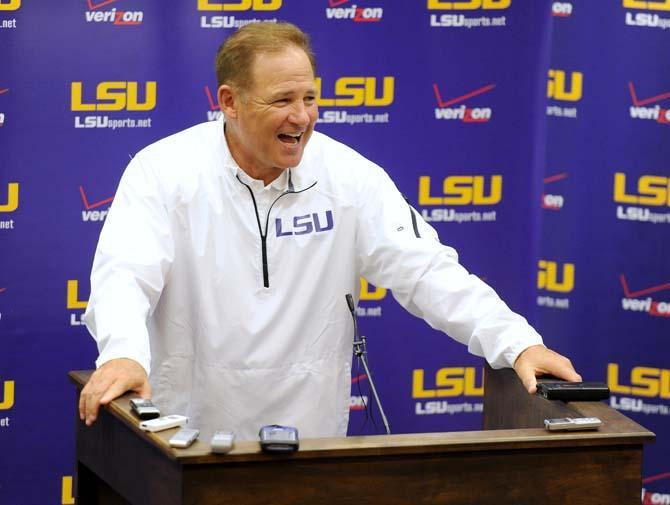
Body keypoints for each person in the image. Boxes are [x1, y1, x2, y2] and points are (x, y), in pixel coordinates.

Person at [80, 22, 580, 440]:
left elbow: (426, 271)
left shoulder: (349, 177)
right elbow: (124, 275)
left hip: (311, 444)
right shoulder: (164, 171)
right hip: (184, 438)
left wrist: (516, 341)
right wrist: (123, 352)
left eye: (310, 98)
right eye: (282, 100)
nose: (302, 117)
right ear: (229, 102)